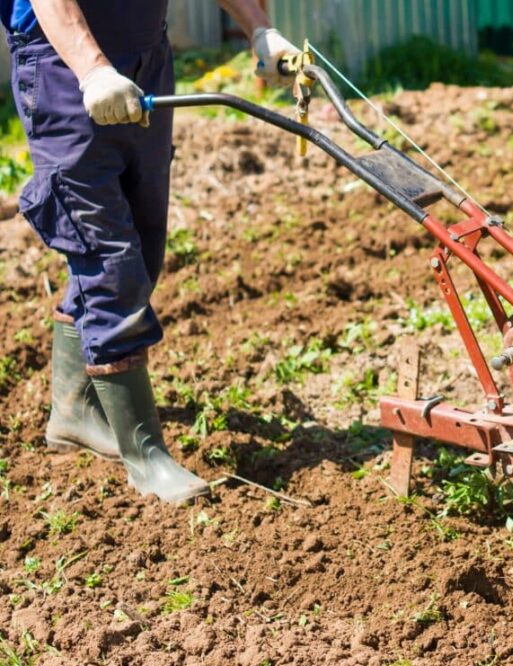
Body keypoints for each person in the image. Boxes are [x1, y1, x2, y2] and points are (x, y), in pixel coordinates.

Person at [3, 1, 300, 503]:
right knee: (107, 257)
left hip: (146, 59)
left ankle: (73, 411)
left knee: (141, 250)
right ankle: (146, 455)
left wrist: (260, 30)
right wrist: (94, 70)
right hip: (63, 66)